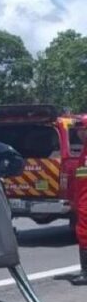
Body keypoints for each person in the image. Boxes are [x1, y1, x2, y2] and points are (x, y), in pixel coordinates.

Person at [69, 116, 87, 286]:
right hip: (82, 203)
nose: (80, 134)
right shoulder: (83, 152)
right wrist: (74, 200)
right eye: (79, 131)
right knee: (82, 235)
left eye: (83, 131)